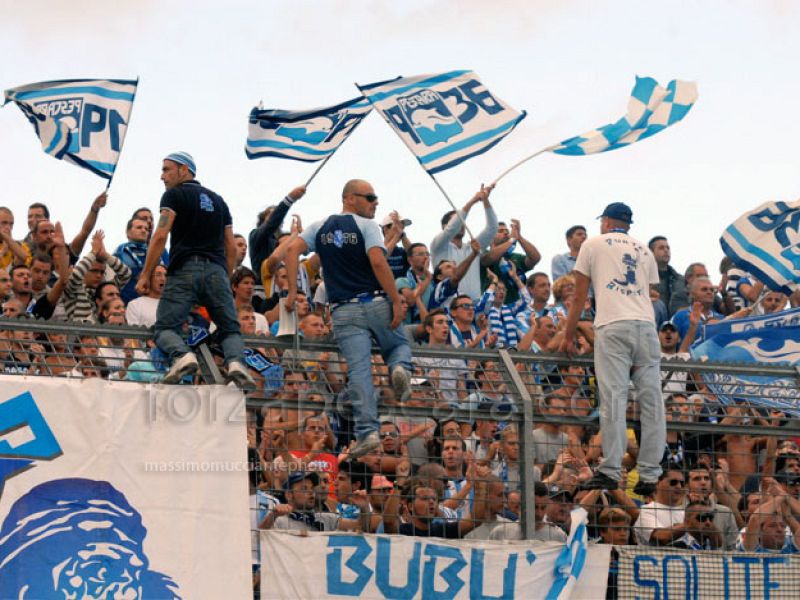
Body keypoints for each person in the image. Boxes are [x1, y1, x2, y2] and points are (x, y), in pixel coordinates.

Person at [283, 179, 413, 459]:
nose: (375, 203)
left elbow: (292, 250)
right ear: (350, 198)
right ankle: (399, 368)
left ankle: (367, 431)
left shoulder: (319, 226)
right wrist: (395, 300)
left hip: (343, 309)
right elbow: (378, 262)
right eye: (370, 198)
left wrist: (294, 291)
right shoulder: (368, 227)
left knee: (359, 371)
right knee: (398, 345)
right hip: (376, 301)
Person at [560, 202, 664, 496]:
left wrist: (569, 334)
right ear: (627, 224)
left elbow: (579, 296)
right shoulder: (644, 250)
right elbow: (650, 292)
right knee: (652, 401)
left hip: (612, 326)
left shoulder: (592, 245)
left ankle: (610, 468)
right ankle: (650, 472)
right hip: (645, 326)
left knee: (614, 398)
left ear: (605, 221)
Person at [135, 151, 254, 389]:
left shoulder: (174, 195)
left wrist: (146, 273)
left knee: (166, 328)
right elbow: (231, 246)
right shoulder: (219, 201)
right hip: (217, 272)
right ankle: (237, 363)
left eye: (167, 169)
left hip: (184, 269)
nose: (162, 176)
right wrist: (224, 275)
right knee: (230, 328)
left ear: (184, 170)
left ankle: (181, 356)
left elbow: (160, 235)